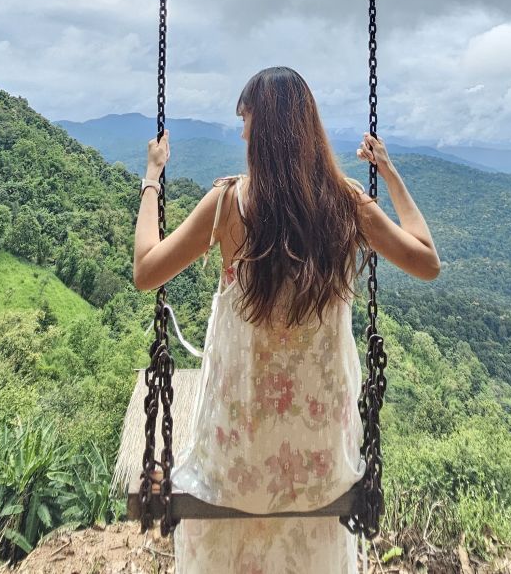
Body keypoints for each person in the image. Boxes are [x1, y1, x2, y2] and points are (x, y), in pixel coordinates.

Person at [133, 66, 440, 573]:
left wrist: (151, 178)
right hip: (321, 466)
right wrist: (388, 171)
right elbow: (427, 262)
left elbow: (146, 271)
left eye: (246, 122)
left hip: (237, 465)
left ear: (264, 132)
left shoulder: (227, 204)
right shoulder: (346, 203)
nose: (242, 134)